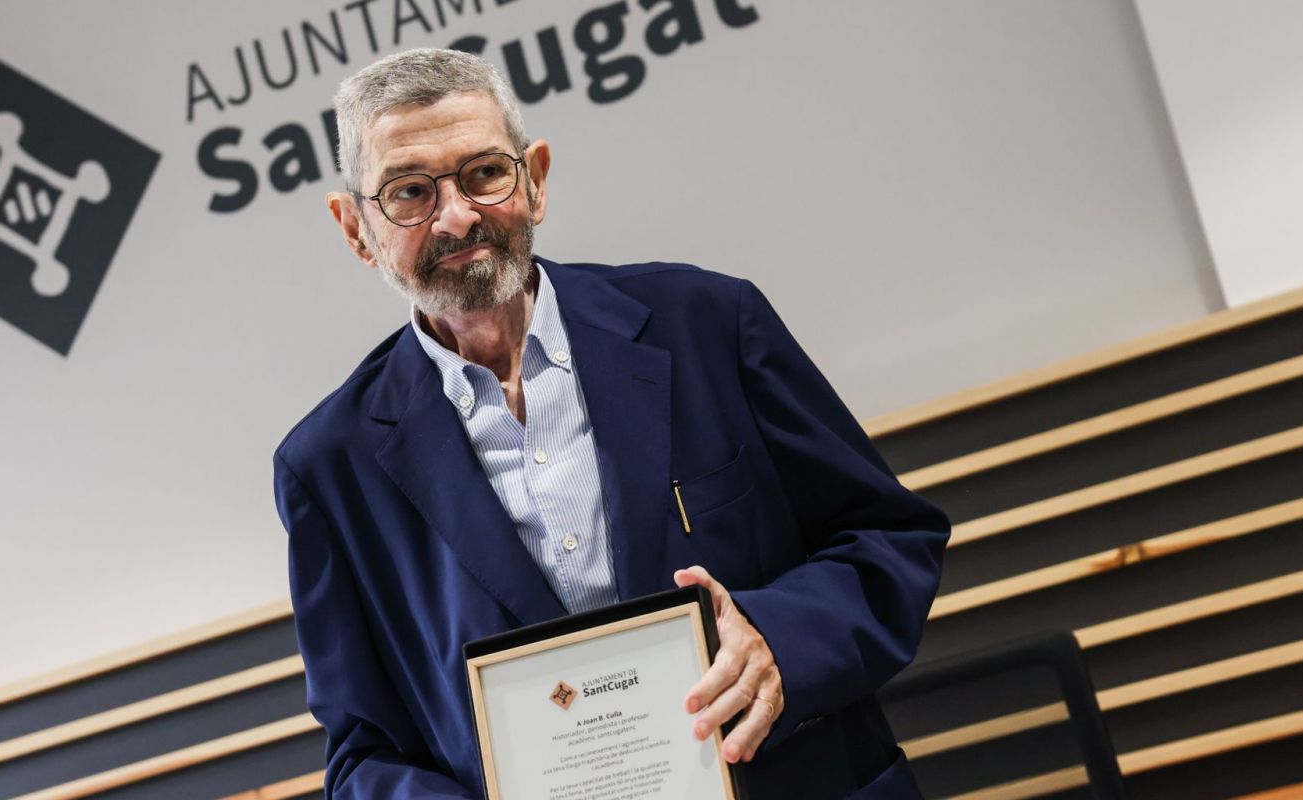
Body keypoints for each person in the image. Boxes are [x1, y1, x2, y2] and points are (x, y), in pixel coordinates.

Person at [273, 48, 949, 799]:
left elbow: (889, 541)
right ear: (354, 228)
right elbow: (363, 752)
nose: (457, 216)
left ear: (536, 181)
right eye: (408, 192)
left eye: (484, 174)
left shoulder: (709, 326)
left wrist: (780, 643)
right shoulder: (329, 466)